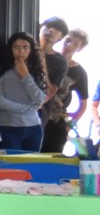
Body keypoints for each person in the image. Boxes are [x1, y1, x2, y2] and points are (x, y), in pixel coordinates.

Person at [0, 32, 52, 152]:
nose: (21, 51)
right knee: (12, 166)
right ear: (11, 49)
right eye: (16, 47)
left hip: (33, 127)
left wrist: (25, 76)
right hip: (8, 127)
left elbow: (40, 99)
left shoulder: (37, 70)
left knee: (31, 166)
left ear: (30, 50)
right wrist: (29, 109)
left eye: (25, 47)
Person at [40, 18, 72, 155]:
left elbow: (51, 91)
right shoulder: (23, 50)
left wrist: (42, 61)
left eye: (56, 29)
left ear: (61, 37)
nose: (51, 30)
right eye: (48, 26)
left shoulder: (60, 61)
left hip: (39, 113)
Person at [61, 30, 91, 156]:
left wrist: (71, 124)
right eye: (68, 41)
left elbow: (83, 105)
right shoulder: (47, 59)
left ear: (80, 48)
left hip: (58, 119)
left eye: (75, 44)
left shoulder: (79, 72)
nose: (69, 45)